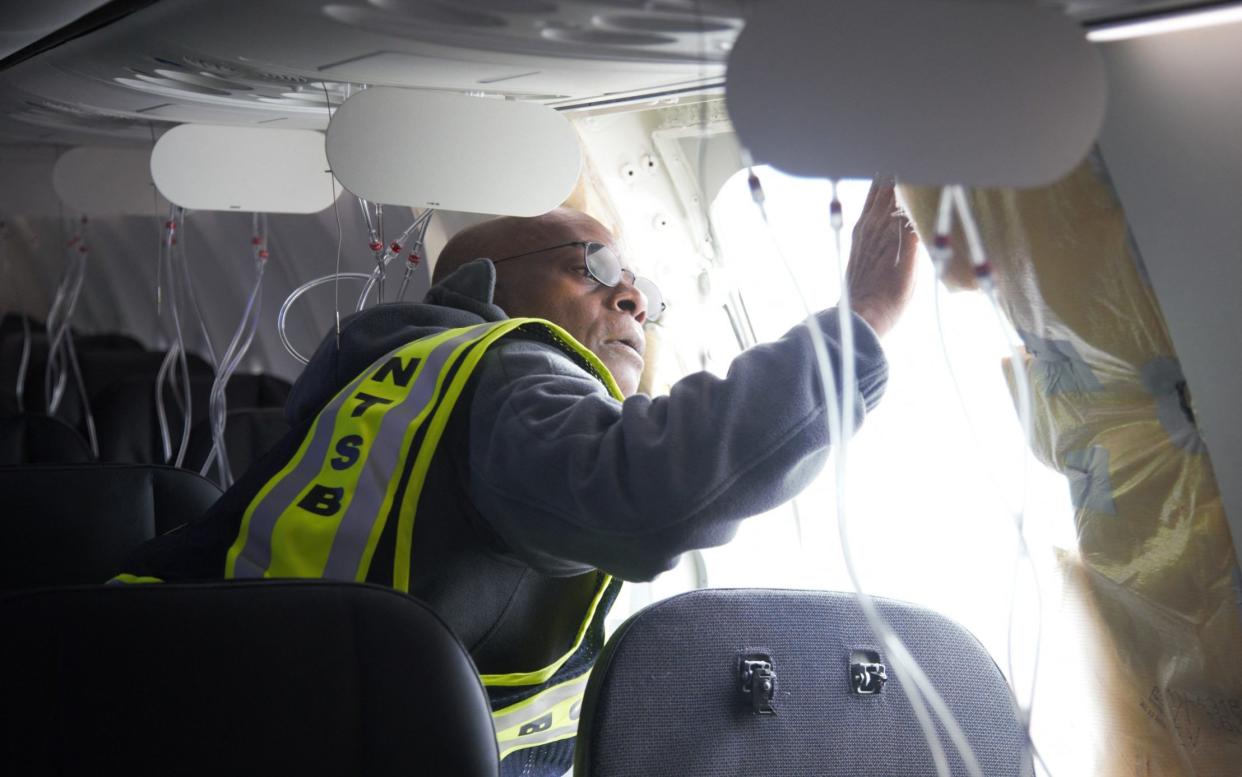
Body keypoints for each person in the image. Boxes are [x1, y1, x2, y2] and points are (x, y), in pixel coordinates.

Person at [116, 179, 918, 776]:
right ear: (485, 286)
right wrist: (859, 331)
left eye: (646, 289)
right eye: (594, 266)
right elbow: (647, 490)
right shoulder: (504, 369)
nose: (633, 296)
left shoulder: (404, 379)